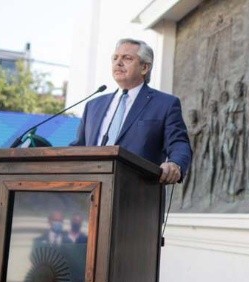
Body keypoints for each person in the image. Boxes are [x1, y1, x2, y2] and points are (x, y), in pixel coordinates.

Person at [70, 38, 192, 185]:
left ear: (144, 68)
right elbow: (79, 147)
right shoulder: (93, 105)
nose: (118, 63)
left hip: (137, 192)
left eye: (127, 58)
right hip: (90, 192)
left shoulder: (165, 104)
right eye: (115, 58)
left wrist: (175, 164)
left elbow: (178, 142)